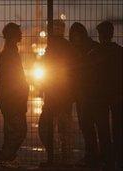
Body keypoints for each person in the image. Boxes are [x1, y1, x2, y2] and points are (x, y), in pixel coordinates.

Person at [39, 19, 78, 165]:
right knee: (64, 129)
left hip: (55, 95)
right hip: (64, 95)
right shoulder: (66, 47)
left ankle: (54, 155)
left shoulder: (52, 47)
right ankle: (65, 158)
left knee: (46, 127)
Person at [88, 21, 122, 170]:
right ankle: (119, 158)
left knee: (103, 129)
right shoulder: (119, 52)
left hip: (99, 96)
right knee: (118, 129)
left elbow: (89, 76)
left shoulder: (94, 53)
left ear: (101, 35)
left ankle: (107, 159)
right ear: (112, 34)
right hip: (117, 95)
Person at [0, 23, 29, 169]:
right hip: (13, 100)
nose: (21, 34)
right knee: (18, 130)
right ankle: (5, 157)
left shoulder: (9, 52)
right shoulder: (10, 54)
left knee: (13, 130)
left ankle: (7, 156)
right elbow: (13, 79)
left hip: (11, 99)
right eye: (19, 32)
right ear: (13, 35)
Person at [68, 22, 100, 167]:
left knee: (89, 126)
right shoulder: (86, 49)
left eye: (76, 36)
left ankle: (93, 156)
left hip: (90, 94)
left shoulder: (86, 50)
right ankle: (95, 155)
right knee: (89, 126)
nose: (75, 40)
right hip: (85, 94)